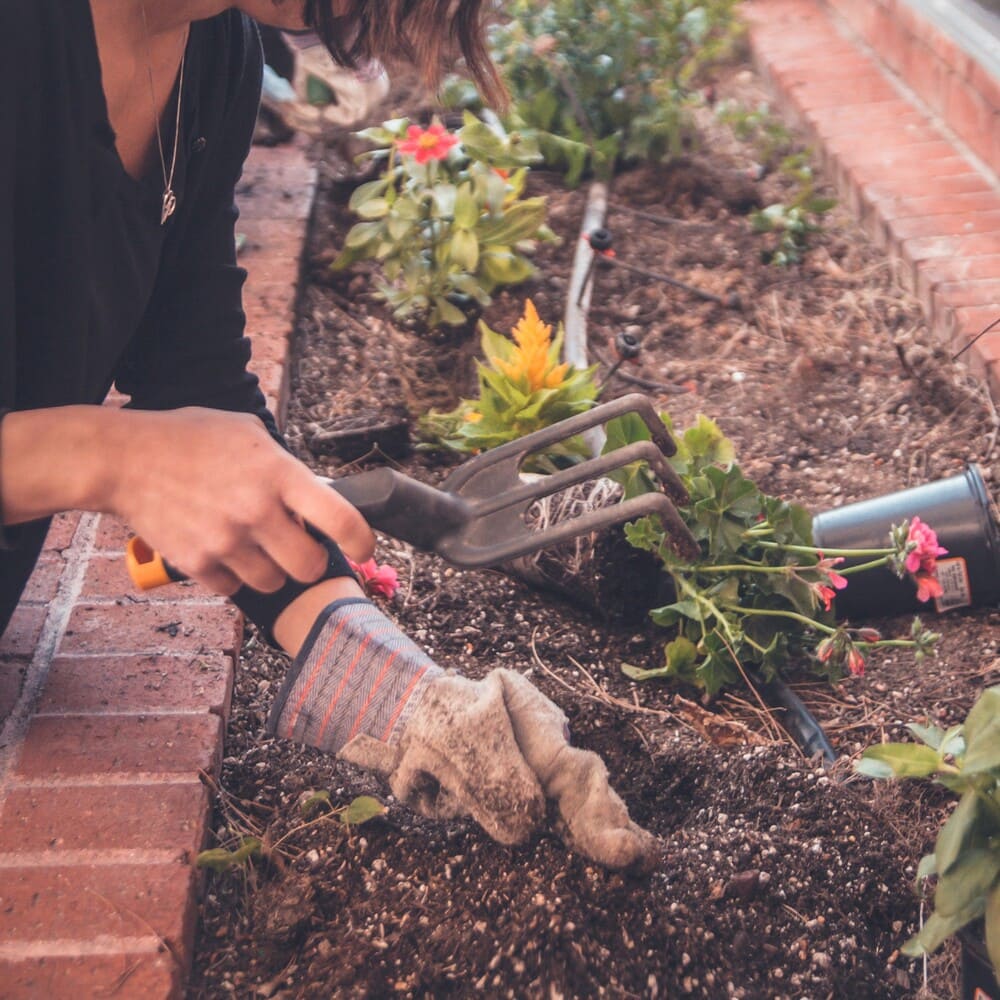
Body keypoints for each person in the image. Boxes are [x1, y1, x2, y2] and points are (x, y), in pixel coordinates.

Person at [0, 0, 658, 871]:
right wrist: (110, 457)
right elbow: (152, 440)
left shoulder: (214, 56)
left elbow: (198, 388)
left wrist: (415, 697)